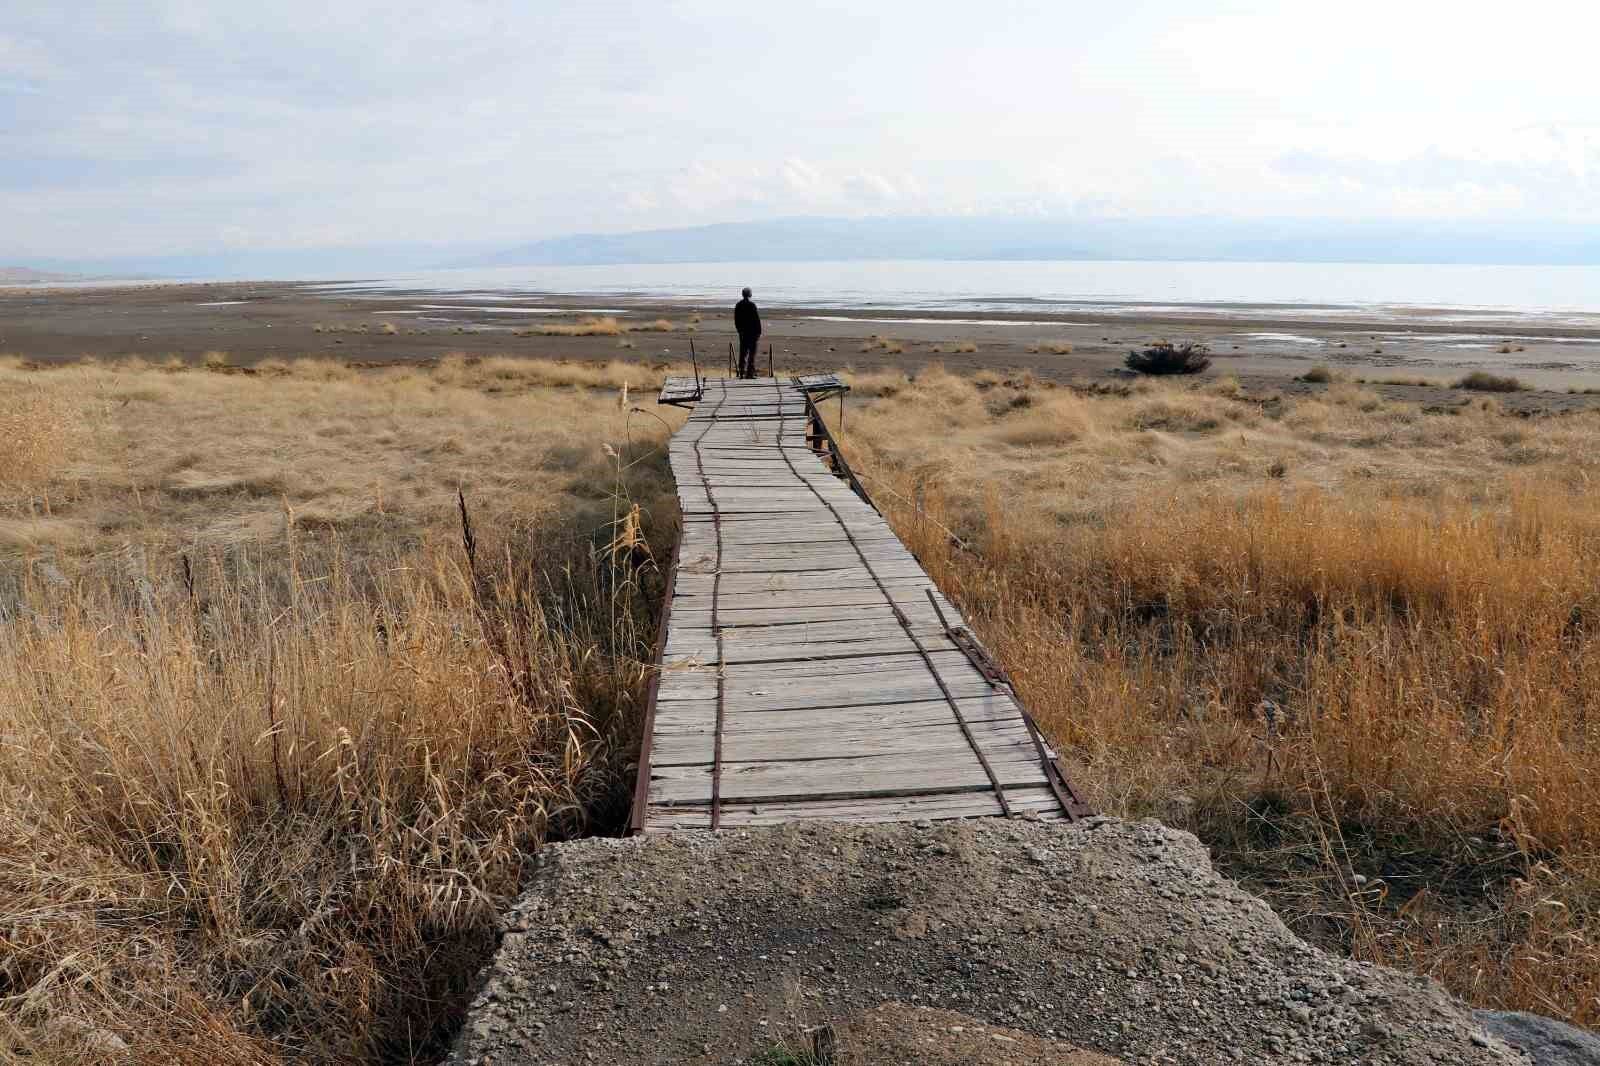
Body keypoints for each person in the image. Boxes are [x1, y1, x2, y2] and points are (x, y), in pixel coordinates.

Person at [734, 287, 761, 378]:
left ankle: (742, 372)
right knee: (752, 353)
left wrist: (739, 330)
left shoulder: (738, 305)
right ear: (750, 294)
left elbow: (736, 320)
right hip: (752, 333)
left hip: (743, 333)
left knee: (743, 353)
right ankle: (749, 373)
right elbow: (756, 319)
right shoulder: (752, 305)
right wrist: (759, 332)